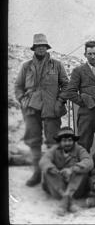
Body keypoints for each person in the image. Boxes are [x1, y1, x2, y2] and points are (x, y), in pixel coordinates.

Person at [14, 33, 69, 187]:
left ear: (47, 47)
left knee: (53, 142)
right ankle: (37, 173)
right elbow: (18, 87)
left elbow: (66, 85)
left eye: (43, 46)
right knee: (34, 141)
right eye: (38, 46)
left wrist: (60, 101)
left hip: (51, 108)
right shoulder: (26, 66)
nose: (41, 48)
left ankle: (51, 175)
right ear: (34, 48)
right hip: (31, 109)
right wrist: (23, 100)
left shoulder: (56, 65)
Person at [39, 127, 93, 216]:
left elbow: (89, 162)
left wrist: (72, 169)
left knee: (81, 170)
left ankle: (64, 201)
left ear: (74, 141)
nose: (67, 143)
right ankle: (68, 200)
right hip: (58, 188)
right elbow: (43, 161)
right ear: (60, 142)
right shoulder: (54, 150)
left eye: (70, 140)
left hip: (76, 189)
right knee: (47, 170)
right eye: (64, 140)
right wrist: (52, 169)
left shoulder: (79, 149)